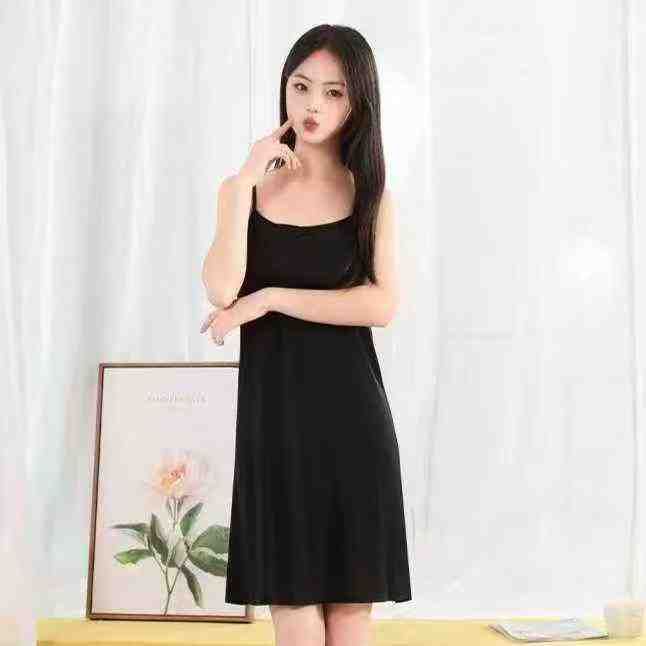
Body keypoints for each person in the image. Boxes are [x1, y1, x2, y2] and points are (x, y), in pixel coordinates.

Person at [200, 23, 411, 646]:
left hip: (353, 421)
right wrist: (245, 182)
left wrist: (269, 298)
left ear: (357, 104)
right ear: (284, 90)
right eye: (301, 86)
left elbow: (381, 305)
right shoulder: (242, 191)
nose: (313, 104)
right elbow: (220, 289)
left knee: (350, 614)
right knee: (292, 613)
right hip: (274, 424)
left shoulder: (370, 196)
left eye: (333, 92)